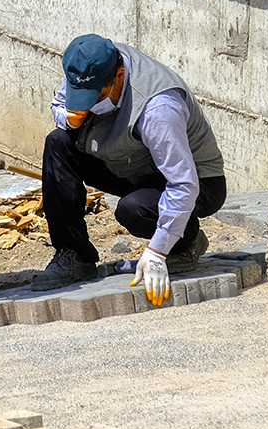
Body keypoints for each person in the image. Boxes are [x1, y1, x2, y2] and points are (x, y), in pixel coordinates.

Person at [33, 34, 227, 305]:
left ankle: (186, 241)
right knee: (58, 142)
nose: (87, 104)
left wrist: (157, 251)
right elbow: (59, 104)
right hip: (128, 162)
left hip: (196, 180)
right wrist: (69, 118)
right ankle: (74, 256)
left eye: (96, 96)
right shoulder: (88, 66)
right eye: (82, 96)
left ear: (120, 75)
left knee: (134, 209)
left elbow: (184, 183)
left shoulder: (158, 108)